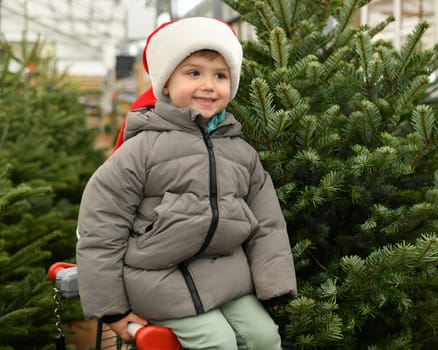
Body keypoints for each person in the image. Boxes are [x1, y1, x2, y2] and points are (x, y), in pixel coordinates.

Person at [76, 16, 297, 350]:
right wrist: (112, 310)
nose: (209, 85)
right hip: (156, 281)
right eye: (194, 73)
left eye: (220, 75)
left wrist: (275, 284)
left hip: (226, 276)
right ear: (165, 83)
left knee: (265, 339)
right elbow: (101, 228)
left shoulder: (241, 153)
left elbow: (267, 224)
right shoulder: (141, 150)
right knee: (218, 342)